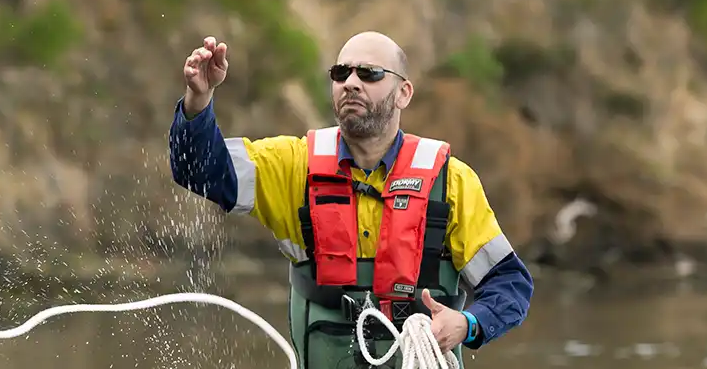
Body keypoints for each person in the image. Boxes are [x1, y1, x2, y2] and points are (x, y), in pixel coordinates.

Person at [167, 32, 533, 368]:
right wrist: (198, 100)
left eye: (370, 73)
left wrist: (468, 323)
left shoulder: (451, 182)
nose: (351, 83)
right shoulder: (293, 167)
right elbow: (199, 171)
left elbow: (510, 282)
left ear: (404, 92)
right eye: (341, 73)